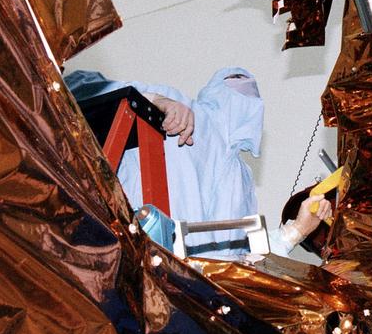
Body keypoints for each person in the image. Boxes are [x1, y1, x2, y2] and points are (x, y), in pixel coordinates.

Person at [66, 67, 314, 258]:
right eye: (236, 82)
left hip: (188, 292)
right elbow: (72, 87)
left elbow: (242, 260)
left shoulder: (241, 180)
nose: (243, 93)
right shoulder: (181, 107)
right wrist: (156, 100)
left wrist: (294, 233)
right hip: (128, 243)